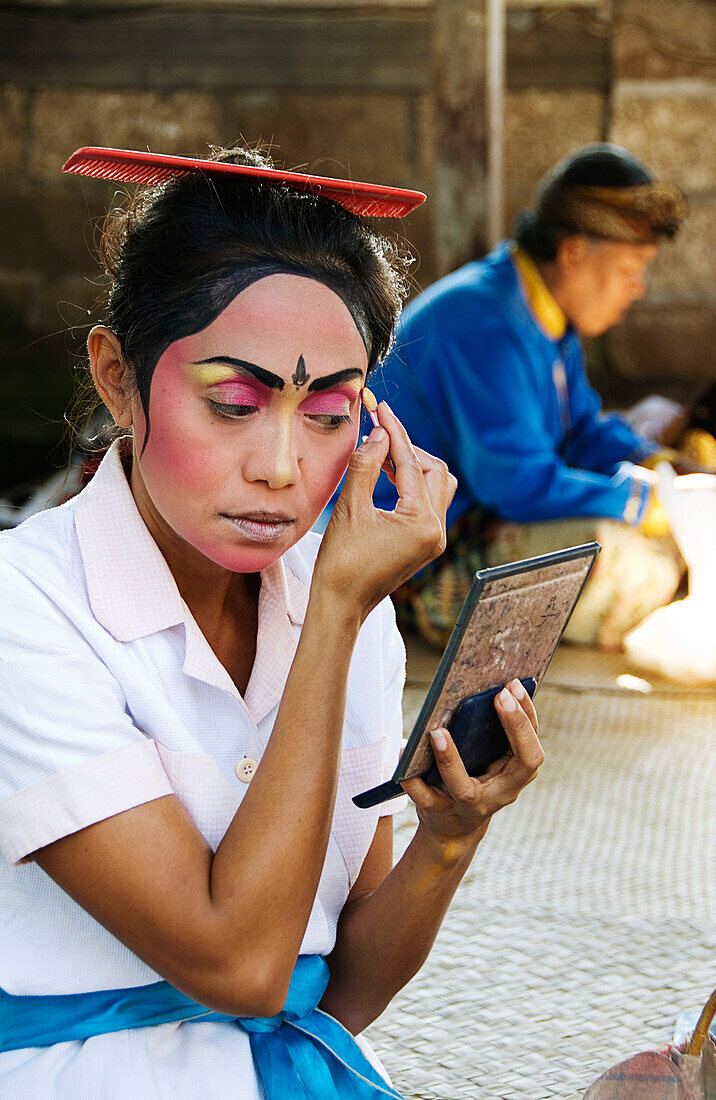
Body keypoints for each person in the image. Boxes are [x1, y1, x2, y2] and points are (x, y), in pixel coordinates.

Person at [0, 145, 544, 1099]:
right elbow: (243, 971)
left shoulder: (339, 606)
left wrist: (451, 835)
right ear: (118, 377)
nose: (282, 470)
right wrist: (335, 612)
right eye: (234, 403)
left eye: (330, 413)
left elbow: (337, 994)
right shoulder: (26, 610)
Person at [369, 144, 691, 649]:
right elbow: (518, 483)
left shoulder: (545, 314)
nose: (639, 287)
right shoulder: (484, 320)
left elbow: (580, 430)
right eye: (631, 268)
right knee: (630, 559)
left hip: (477, 521)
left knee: (669, 545)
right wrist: (645, 502)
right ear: (573, 252)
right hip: (412, 565)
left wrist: (670, 468)